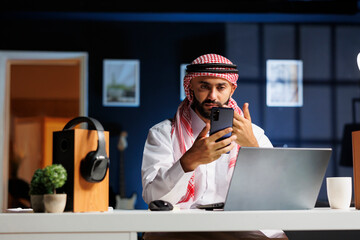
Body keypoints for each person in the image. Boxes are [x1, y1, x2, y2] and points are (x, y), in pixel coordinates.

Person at [141, 54, 288, 240]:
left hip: (242, 224)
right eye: (204, 86)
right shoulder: (163, 133)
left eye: (221, 87)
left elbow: (278, 196)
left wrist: (252, 148)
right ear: (191, 87)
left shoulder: (254, 134)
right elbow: (153, 199)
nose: (212, 96)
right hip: (180, 226)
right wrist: (188, 161)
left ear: (232, 89)